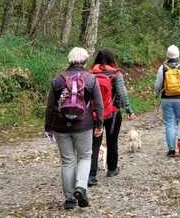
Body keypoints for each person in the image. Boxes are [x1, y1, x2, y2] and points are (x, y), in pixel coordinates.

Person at [44, 47, 104, 210]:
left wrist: (48, 127)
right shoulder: (91, 79)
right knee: (85, 156)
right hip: (83, 125)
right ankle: (81, 187)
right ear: (85, 60)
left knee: (67, 160)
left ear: (69, 60)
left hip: (60, 126)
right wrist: (99, 124)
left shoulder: (57, 79)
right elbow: (98, 104)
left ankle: (70, 199)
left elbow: (50, 106)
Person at [88, 49, 136, 186]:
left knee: (94, 143)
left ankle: (91, 174)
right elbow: (122, 93)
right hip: (113, 113)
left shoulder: (90, 74)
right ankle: (112, 169)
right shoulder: (115, 74)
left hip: (95, 114)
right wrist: (129, 110)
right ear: (111, 60)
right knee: (112, 141)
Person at [154, 45, 180, 157]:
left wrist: (157, 94)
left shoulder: (163, 68)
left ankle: (171, 149)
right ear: (178, 54)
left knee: (169, 123)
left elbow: (158, 84)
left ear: (167, 55)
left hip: (167, 98)